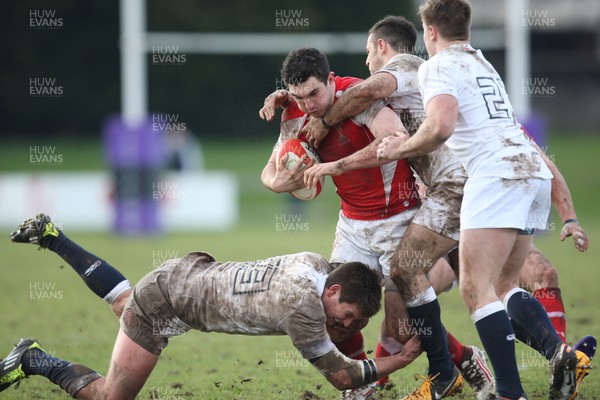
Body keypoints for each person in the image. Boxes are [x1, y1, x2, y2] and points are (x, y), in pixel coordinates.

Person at [301, 14, 593, 399]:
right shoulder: (478, 69)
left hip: (466, 188)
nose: (367, 61)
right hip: (501, 180)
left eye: (369, 52)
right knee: (491, 284)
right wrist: (568, 215)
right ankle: (556, 354)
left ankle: (461, 377)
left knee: (415, 276)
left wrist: (322, 122)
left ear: (382, 47)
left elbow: (361, 95)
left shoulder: (411, 67)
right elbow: (529, 148)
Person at [258, 47, 490, 399]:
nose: (308, 105)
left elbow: (393, 138)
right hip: (352, 226)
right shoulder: (292, 110)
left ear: (331, 80)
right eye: (298, 96)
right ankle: (363, 384)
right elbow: (274, 169)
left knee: (399, 329)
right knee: (333, 313)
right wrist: (282, 182)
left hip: (397, 220)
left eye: (314, 94)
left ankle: (465, 357)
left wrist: (333, 167)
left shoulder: (357, 95)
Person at [1, 213, 422, 399]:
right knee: (111, 396)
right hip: (167, 302)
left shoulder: (314, 265)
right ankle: (35, 359)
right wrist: (401, 359)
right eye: (348, 317)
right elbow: (343, 379)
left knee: (124, 301)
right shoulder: (302, 310)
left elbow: (355, 278)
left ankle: (54, 236)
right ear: (331, 293)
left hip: (188, 277)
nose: (349, 326)